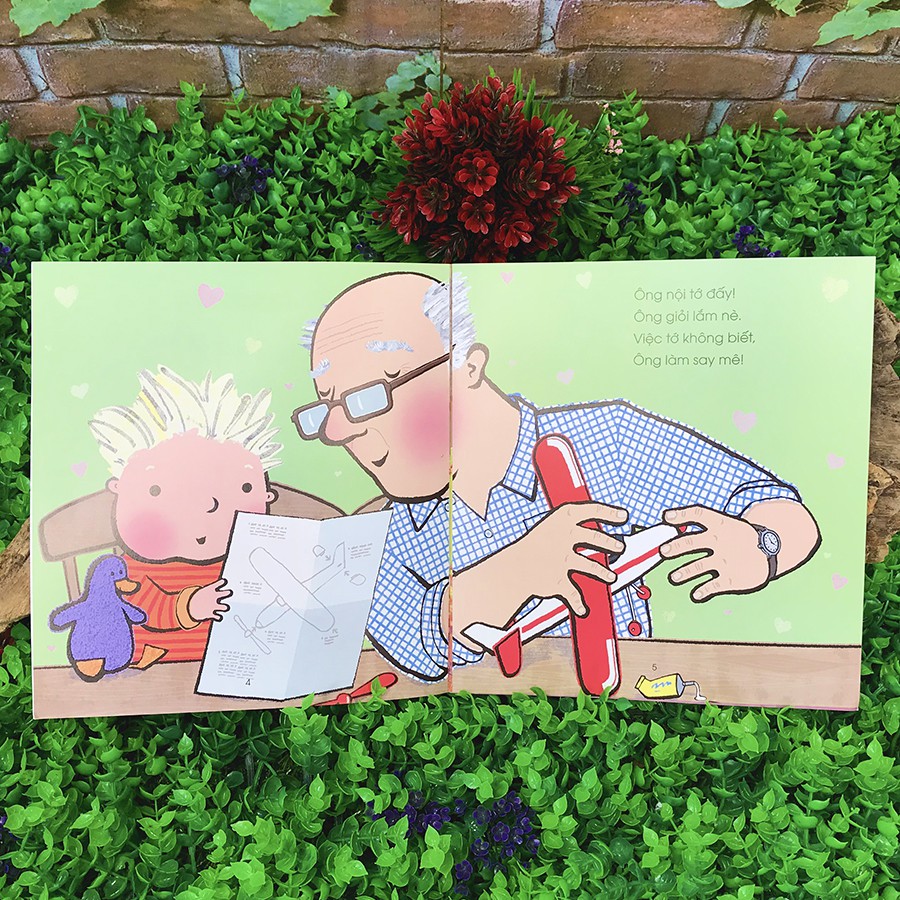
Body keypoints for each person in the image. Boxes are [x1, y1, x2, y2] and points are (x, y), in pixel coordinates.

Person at [295, 272, 820, 682]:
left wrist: (763, 547)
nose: (339, 432)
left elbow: (782, 509)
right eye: (325, 409)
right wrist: (516, 571)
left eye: (369, 396)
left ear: (467, 366)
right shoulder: (377, 539)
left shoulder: (606, 440)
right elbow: (417, 643)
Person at [89, 366, 282, 669]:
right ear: (119, 491)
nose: (208, 504)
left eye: (244, 487)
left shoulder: (250, 558)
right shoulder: (133, 570)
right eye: (157, 490)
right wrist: (189, 606)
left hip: (237, 664)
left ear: (267, 495)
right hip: (159, 665)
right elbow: (142, 607)